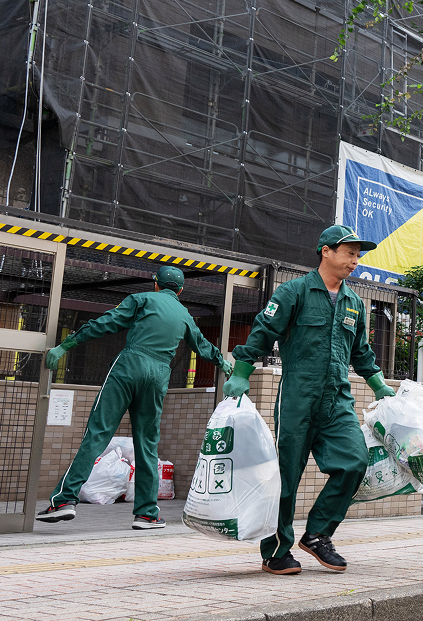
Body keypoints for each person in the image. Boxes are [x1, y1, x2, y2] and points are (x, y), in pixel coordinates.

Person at [222, 224, 393, 575]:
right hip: (297, 399)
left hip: (337, 401)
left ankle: (317, 535)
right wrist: (241, 373)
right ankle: (276, 550)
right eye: (350, 252)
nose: (355, 260)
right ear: (326, 251)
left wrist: (379, 386)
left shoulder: (354, 303)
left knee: (354, 462)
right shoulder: (293, 292)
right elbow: (262, 331)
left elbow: (360, 352)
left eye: (358, 254)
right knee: (286, 476)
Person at [36, 265, 229, 529]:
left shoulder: (142, 299)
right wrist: (224, 363)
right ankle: (147, 514)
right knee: (147, 445)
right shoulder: (184, 315)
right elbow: (203, 346)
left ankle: (64, 501)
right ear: (180, 290)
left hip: (130, 365)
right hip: (160, 374)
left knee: (98, 434)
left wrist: (66, 345)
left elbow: (105, 323)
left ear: (156, 283)